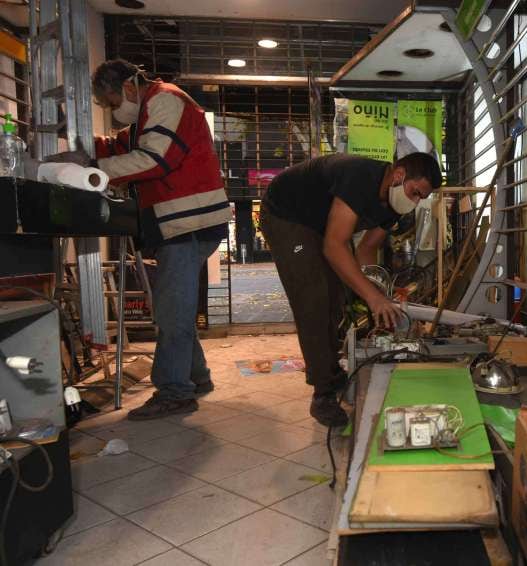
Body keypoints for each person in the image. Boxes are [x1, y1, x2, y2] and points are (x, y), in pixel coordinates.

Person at [50, 59, 230, 420]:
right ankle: (196, 377)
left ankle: (175, 391)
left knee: (172, 312)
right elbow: (120, 147)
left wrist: (89, 171)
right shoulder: (151, 111)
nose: (115, 111)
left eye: (113, 103)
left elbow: (153, 159)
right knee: (173, 307)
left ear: (130, 87)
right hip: (183, 223)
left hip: (185, 224)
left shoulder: (164, 101)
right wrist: (82, 142)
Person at [260, 152, 441, 426]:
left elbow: (366, 250)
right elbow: (334, 245)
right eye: (415, 192)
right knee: (314, 299)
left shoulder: (394, 206)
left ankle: (332, 371)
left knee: (340, 296)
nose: (415, 201)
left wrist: (377, 292)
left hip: (322, 225)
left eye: (421, 198)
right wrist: (373, 297)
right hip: (286, 214)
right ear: (399, 174)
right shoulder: (360, 176)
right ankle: (323, 393)